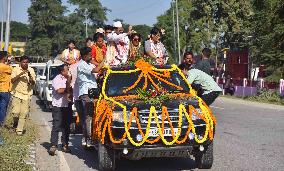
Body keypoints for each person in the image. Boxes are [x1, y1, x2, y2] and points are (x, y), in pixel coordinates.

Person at [77, 47, 104, 146]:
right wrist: (104, 60)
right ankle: (89, 138)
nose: (91, 56)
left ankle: (93, 136)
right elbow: (97, 69)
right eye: (89, 54)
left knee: (95, 114)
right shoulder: (82, 65)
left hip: (94, 92)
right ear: (84, 56)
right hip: (86, 93)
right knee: (89, 115)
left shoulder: (88, 64)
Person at [7, 56, 35, 135]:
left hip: (27, 94)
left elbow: (33, 83)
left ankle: (19, 131)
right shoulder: (16, 69)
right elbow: (12, 80)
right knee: (15, 112)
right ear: (20, 62)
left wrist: (29, 75)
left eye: (26, 62)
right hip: (17, 93)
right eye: (23, 62)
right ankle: (15, 124)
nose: (25, 64)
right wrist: (21, 74)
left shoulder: (31, 70)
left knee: (23, 113)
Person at [49, 64, 72, 155]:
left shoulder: (69, 78)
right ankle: (53, 145)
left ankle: (65, 144)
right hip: (58, 106)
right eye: (67, 70)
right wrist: (68, 89)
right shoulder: (57, 79)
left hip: (67, 105)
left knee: (66, 126)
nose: (68, 71)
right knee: (56, 125)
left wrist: (69, 86)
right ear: (62, 72)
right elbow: (59, 91)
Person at [0, 51, 12, 126]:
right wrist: (9, 63)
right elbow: (11, 71)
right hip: (5, 89)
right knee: (3, 108)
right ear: (4, 57)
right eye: (7, 57)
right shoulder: (5, 67)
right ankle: (1, 123)